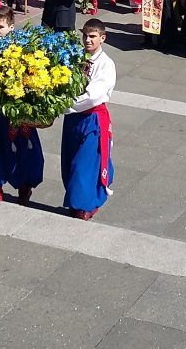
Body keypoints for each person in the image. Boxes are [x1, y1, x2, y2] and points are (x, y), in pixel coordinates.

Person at [0, 7, 43, 204]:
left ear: (11, 27)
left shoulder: (24, 51)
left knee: (24, 147)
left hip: (18, 109)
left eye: (0, 27)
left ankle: (25, 186)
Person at [61, 18, 115, 220]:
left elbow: (94, 95)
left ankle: (84, 206)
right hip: (73, 119)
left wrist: (66, 105)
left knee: (84, 165)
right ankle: (76, 201)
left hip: (92, 119)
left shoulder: (106, 64)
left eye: (92, 36)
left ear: (102, 38)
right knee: (69, 160)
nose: (88, 40)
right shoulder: (75, 58)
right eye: (85, 35)